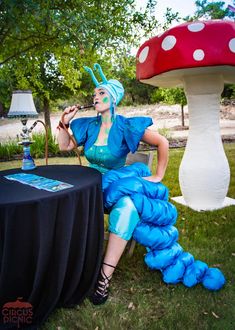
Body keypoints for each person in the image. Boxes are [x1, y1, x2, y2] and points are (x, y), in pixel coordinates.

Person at [57, 63, 169, 305]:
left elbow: (162, 143)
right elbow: (63, 146)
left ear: (114, 99)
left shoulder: (125, 125)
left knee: (127, 207)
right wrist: (63, 122)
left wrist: (158, 175)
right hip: (90, 188)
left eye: (101, 94)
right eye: (94, 94)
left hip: (114, 187)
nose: (95, 98)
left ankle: (104, 277)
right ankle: (74, 266)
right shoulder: (89, 125)